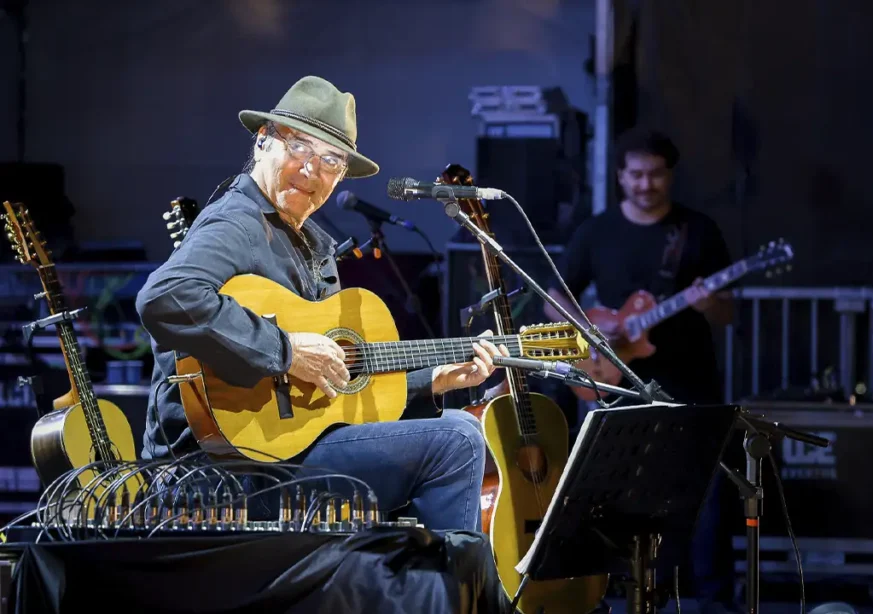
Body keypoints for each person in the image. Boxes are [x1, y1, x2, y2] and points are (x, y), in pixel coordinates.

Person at [136, 75, 509, 533]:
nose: (312, 170)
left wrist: (432, 381)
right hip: (218, 470)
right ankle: (459, 597)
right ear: (263, 142)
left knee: (464, 428)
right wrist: (286, 350)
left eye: (331, 160)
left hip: (284, 450)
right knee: (456, 439)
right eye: (299, 148)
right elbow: (165, 296)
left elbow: (330, 388)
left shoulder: (314, 245)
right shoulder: (236, 223)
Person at [543, 127, 739, 612]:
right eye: (636, 174)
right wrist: (591, 331)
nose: (646, 183)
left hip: (690, 381)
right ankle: (611, 593)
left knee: (709, 492)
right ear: (620, 176)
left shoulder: (699, 231)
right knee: (615, 491)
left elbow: (727, 315)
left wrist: (709, 302)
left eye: (655, 174)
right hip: (619, 383)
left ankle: (714, 600)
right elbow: (554, 297)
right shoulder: (596, 231)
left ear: (670, 175)